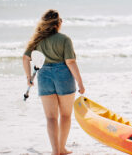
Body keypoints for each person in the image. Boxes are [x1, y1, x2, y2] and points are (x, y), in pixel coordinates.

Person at [22, 9, 85, 155]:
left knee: (51, 117)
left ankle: (55, 151)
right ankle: (62, 148)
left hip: (44, 75)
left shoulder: (37, 40)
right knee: (65, 115)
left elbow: (25, 58)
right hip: (63, 75)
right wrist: (80, 84)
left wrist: (28, 78)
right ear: (58, 23)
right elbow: (70, 62)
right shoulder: (64, 39)